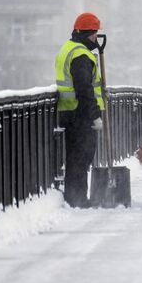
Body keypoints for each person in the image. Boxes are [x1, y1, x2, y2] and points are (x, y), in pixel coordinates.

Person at [55, 12, 104, 208]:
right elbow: (84, 88)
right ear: (87, 33)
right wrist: (94, 116)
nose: (96, 38)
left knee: (76, 157)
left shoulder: (68, 48)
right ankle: (78, 199)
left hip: (68, 112)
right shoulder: (81, 55)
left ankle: (76, 197)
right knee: (81, 157)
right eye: (94, 34)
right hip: (80, 114)